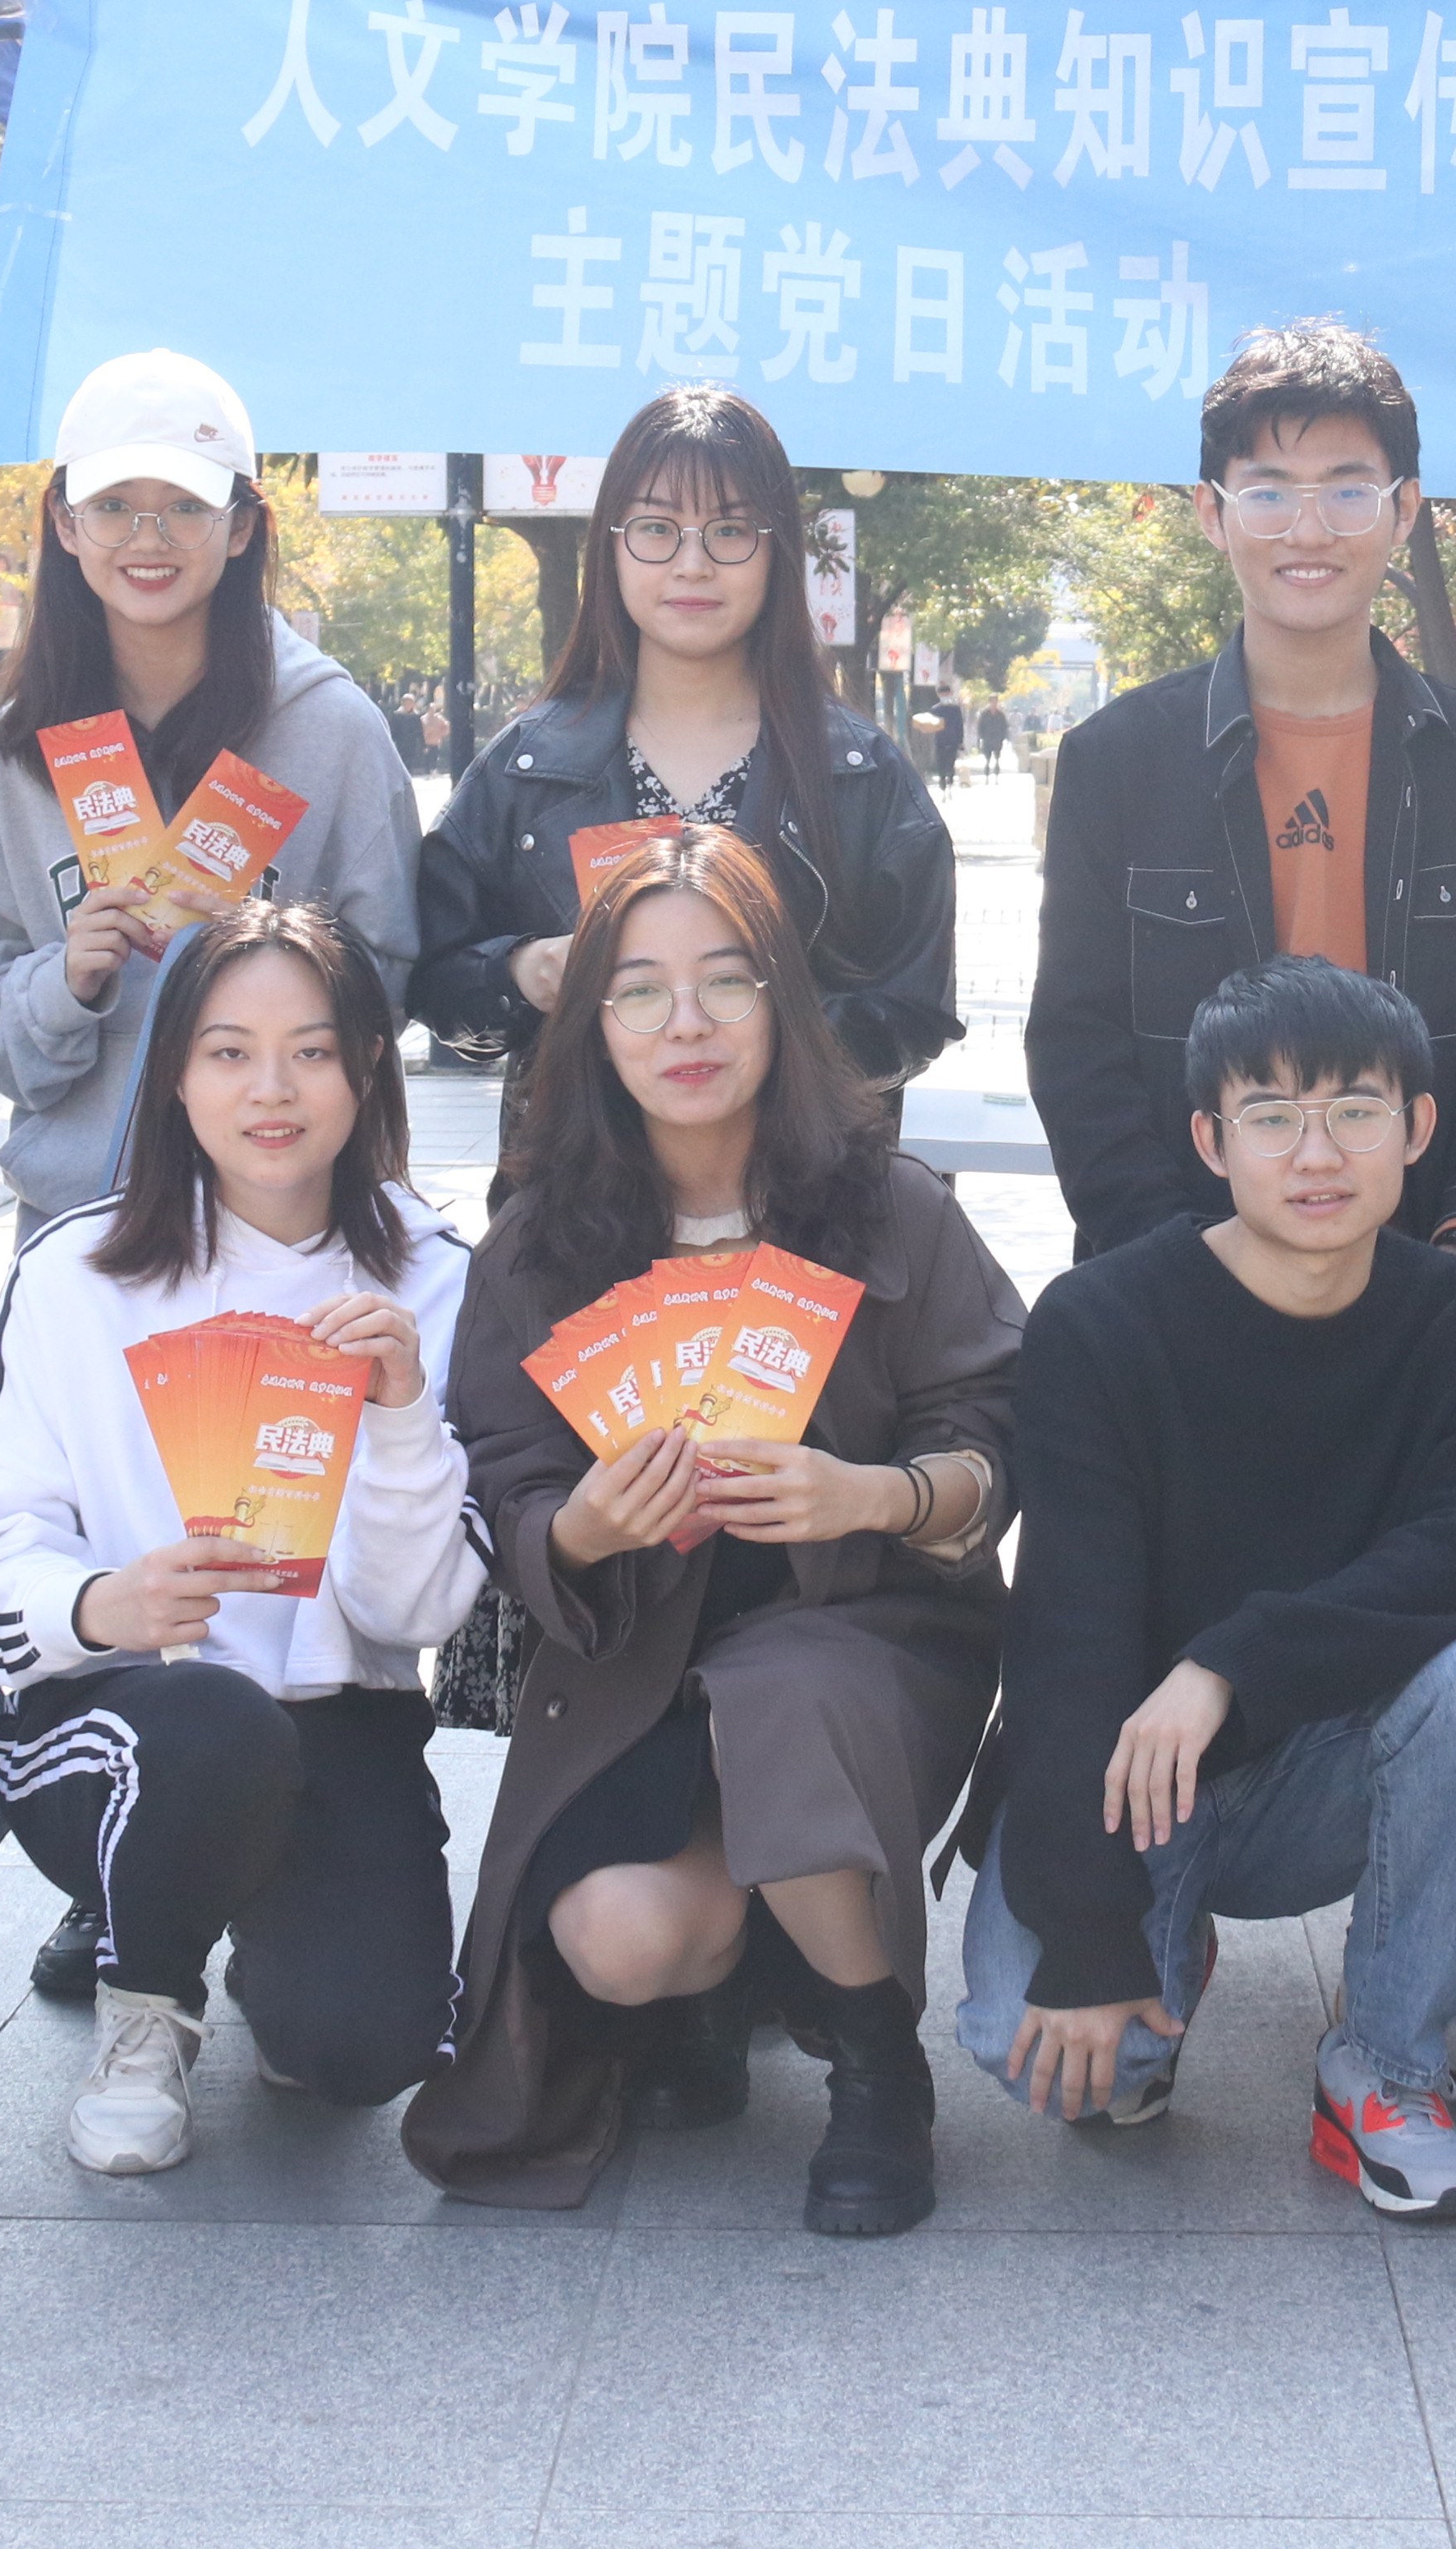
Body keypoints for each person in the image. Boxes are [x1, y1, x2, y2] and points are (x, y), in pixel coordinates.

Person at [406, 828, 1020, 2233]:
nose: (685, 1023)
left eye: (726, 981)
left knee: (785, 1697)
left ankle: (876, 2060)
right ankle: (732, 1973)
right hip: (639, 1660)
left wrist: (873, 1494)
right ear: (591, 1025)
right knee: (619, 1938)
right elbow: (504, 1477)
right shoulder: (539, 1246)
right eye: (639, 990)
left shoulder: (893, 1208)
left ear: (782, 1002)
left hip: (858, 1633)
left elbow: (992, 1421)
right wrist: (579, 1527)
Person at [962, 958, 1456, 2221]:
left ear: (1418, 1128)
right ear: (1210, 1141)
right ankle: (1169, 1945)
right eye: (1272, 1115)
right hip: (1136, 1769)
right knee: (1047, 2056)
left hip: (1333, 1762)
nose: (1316, 1153)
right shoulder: (1102, 1320)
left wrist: (1228, 1664)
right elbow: (1065, 1638)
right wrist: (1093, 1933)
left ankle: (1387, 2066)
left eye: (1355, 1110)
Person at [0, 898, 480, 2171]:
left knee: (361, 2052)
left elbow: (417, 1617)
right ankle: (144, 2000)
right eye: (229, 1052)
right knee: (210, 1728)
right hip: (121, 1716)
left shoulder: (437, 1275)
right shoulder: (75, 1274)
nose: (271, 1090)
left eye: (312, 1051)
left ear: (369, 1066)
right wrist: (101, 1605)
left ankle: (252, 1930)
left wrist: (400, 1413)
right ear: (174, 1074)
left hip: (335, 1715)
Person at [1031, 319, 1456, 1274]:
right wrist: (1170, 1259)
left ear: (1404, 510)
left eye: (1348, 491)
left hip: (1422, 1271)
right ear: (1213, 512)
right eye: (1270, 492)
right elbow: (1078, 1040)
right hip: (1174, 1278)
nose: (1309, 531)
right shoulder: (1117, 761)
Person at [0, 347, 418, 1236]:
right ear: (65, 523)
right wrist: (66, 984)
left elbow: (391, 980)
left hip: (289, 1223)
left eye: (186, 508)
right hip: (79, 1227)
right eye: (113, 507)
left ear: (241, 528)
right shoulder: (16, 746)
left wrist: (271, 961)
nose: (147, 540)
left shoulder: (334, 729)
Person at [411, 386, 958, 1101]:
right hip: (578, 1169)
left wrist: (763, 1030)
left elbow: (915, 1010)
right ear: (611, 547)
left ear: (778, 551)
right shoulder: (527, 768)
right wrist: (524, 972)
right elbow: (435, 980)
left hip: (803, 1169)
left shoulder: (859, 776)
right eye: (656, 528)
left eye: (730, 531)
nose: (692, 564)